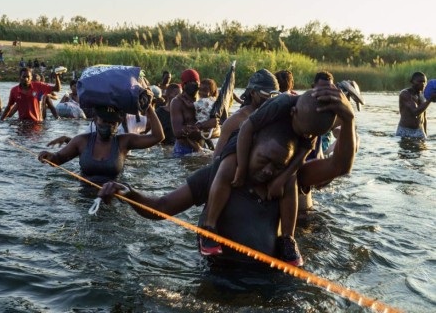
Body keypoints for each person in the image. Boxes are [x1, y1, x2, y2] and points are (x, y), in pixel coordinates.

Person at [98, 87, 355, 266]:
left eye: (278, 166)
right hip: (221, 281)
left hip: (273, 286)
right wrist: (128, 193)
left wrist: (348, 119)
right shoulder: (216, 175)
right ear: (251, 147)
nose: (268, 171)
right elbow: (161, 206)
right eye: (263, 161)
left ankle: (288, 242)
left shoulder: (289, 180)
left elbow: (340, 166)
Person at [201, 90, 336, 264]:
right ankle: (209, 227)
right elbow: (247, 129)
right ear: (293, 112)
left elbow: (304, 150)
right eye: (302, 131)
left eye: (309, 135)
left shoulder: (311, 126)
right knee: (227, 167)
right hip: (250, 139)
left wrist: (282, 179)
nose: (305, 136)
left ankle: (287, 239)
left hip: (281, 151)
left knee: (291, 181)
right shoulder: (280, 104)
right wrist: (242, 167)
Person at [38, 103, 164, 187]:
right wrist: (48, 156)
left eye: (112, 123)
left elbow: (158, 137)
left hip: (113, 195)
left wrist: (148, 107)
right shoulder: (81, 141)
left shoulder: (124, 142)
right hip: (84, 197)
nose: (108, 125)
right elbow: (58, 159)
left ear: (118, 123)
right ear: (95, 120)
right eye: (104, 121)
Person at [213, 69, 280, 158]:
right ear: (252, 93)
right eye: (266, 94)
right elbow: (217, 158)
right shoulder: (235, 121)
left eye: (274, 95)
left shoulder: (274, 115)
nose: (270, 99)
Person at [171, 69, 217, 156]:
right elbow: (177, 132)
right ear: (184, 85)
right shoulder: (177, 102)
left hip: (202, 148)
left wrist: (203, 127)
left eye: (196, 82)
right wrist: (202, 128)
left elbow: (218, 129)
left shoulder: (205, 100)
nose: (194, 85)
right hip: (184, 150)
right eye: (190, 82)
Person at [397, 72, 436, 138]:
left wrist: (425, 134)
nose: (422, 84)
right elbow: (415, 112)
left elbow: (424, 117)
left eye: (424, 82)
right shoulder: (405, 94)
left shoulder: (423, 95)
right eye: (419, 81)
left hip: (419, 131)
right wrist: (430, 99)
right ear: (412, 82)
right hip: (405, 131)